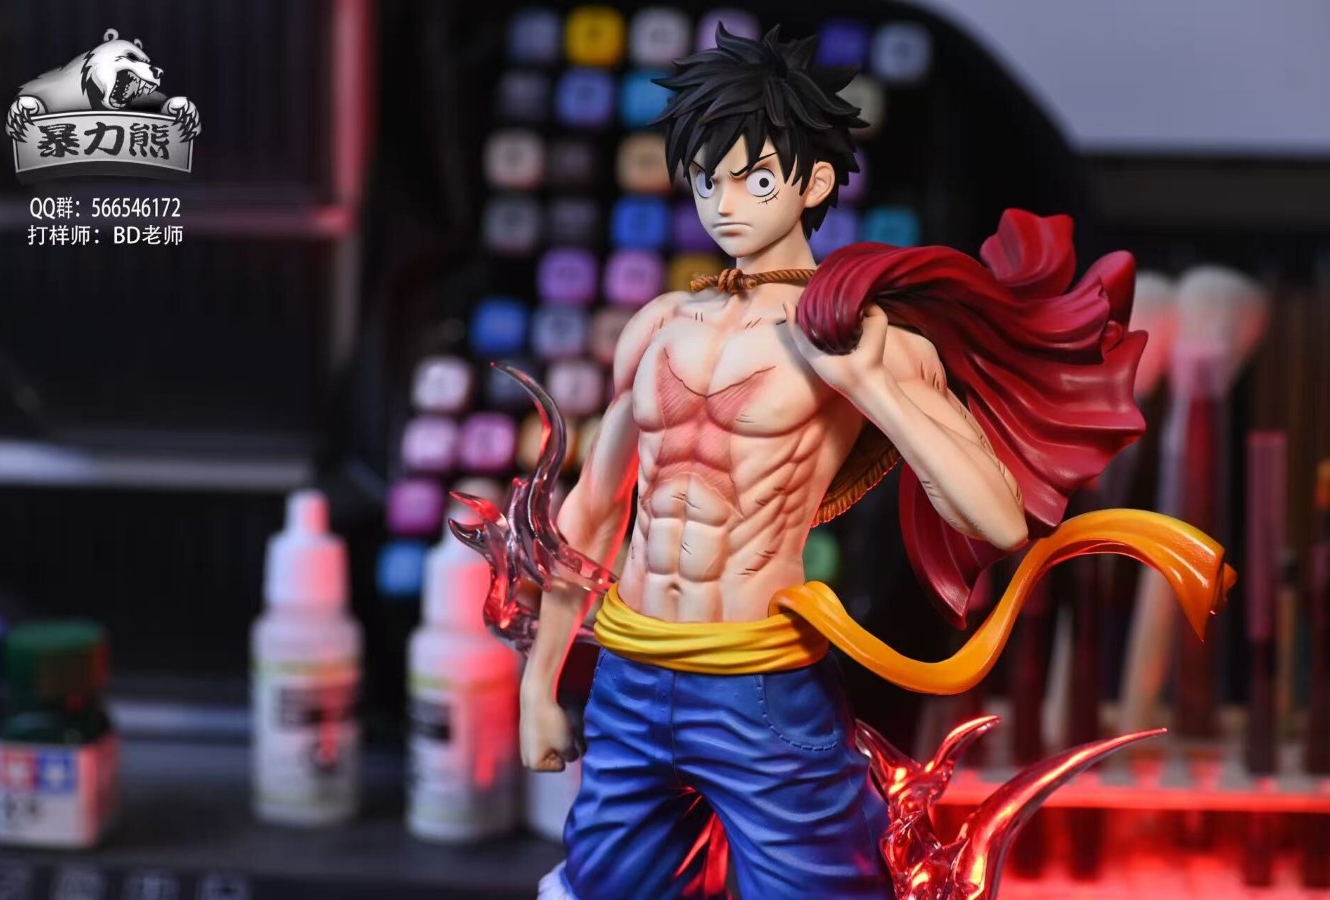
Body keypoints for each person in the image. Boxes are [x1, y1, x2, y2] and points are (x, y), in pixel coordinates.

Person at [509, 25, 1231, 900]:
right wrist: (540, 684)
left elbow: (997, 517)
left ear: (813, 183)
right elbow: (590, 513)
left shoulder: (858, 340)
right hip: (630, 672)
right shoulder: (658, 325)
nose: (726, 203)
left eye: (756, 178)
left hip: (757, 687)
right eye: (707, 179)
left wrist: (869, 385)